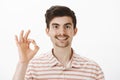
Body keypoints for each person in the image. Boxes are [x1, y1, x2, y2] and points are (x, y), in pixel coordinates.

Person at [13, 5, 105, 80]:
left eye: (67, 26)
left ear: (75, 31)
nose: (62, 32)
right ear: (47, 31)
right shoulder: (33, 67)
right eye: (56, 26)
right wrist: (23, 62)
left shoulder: (93, 69)